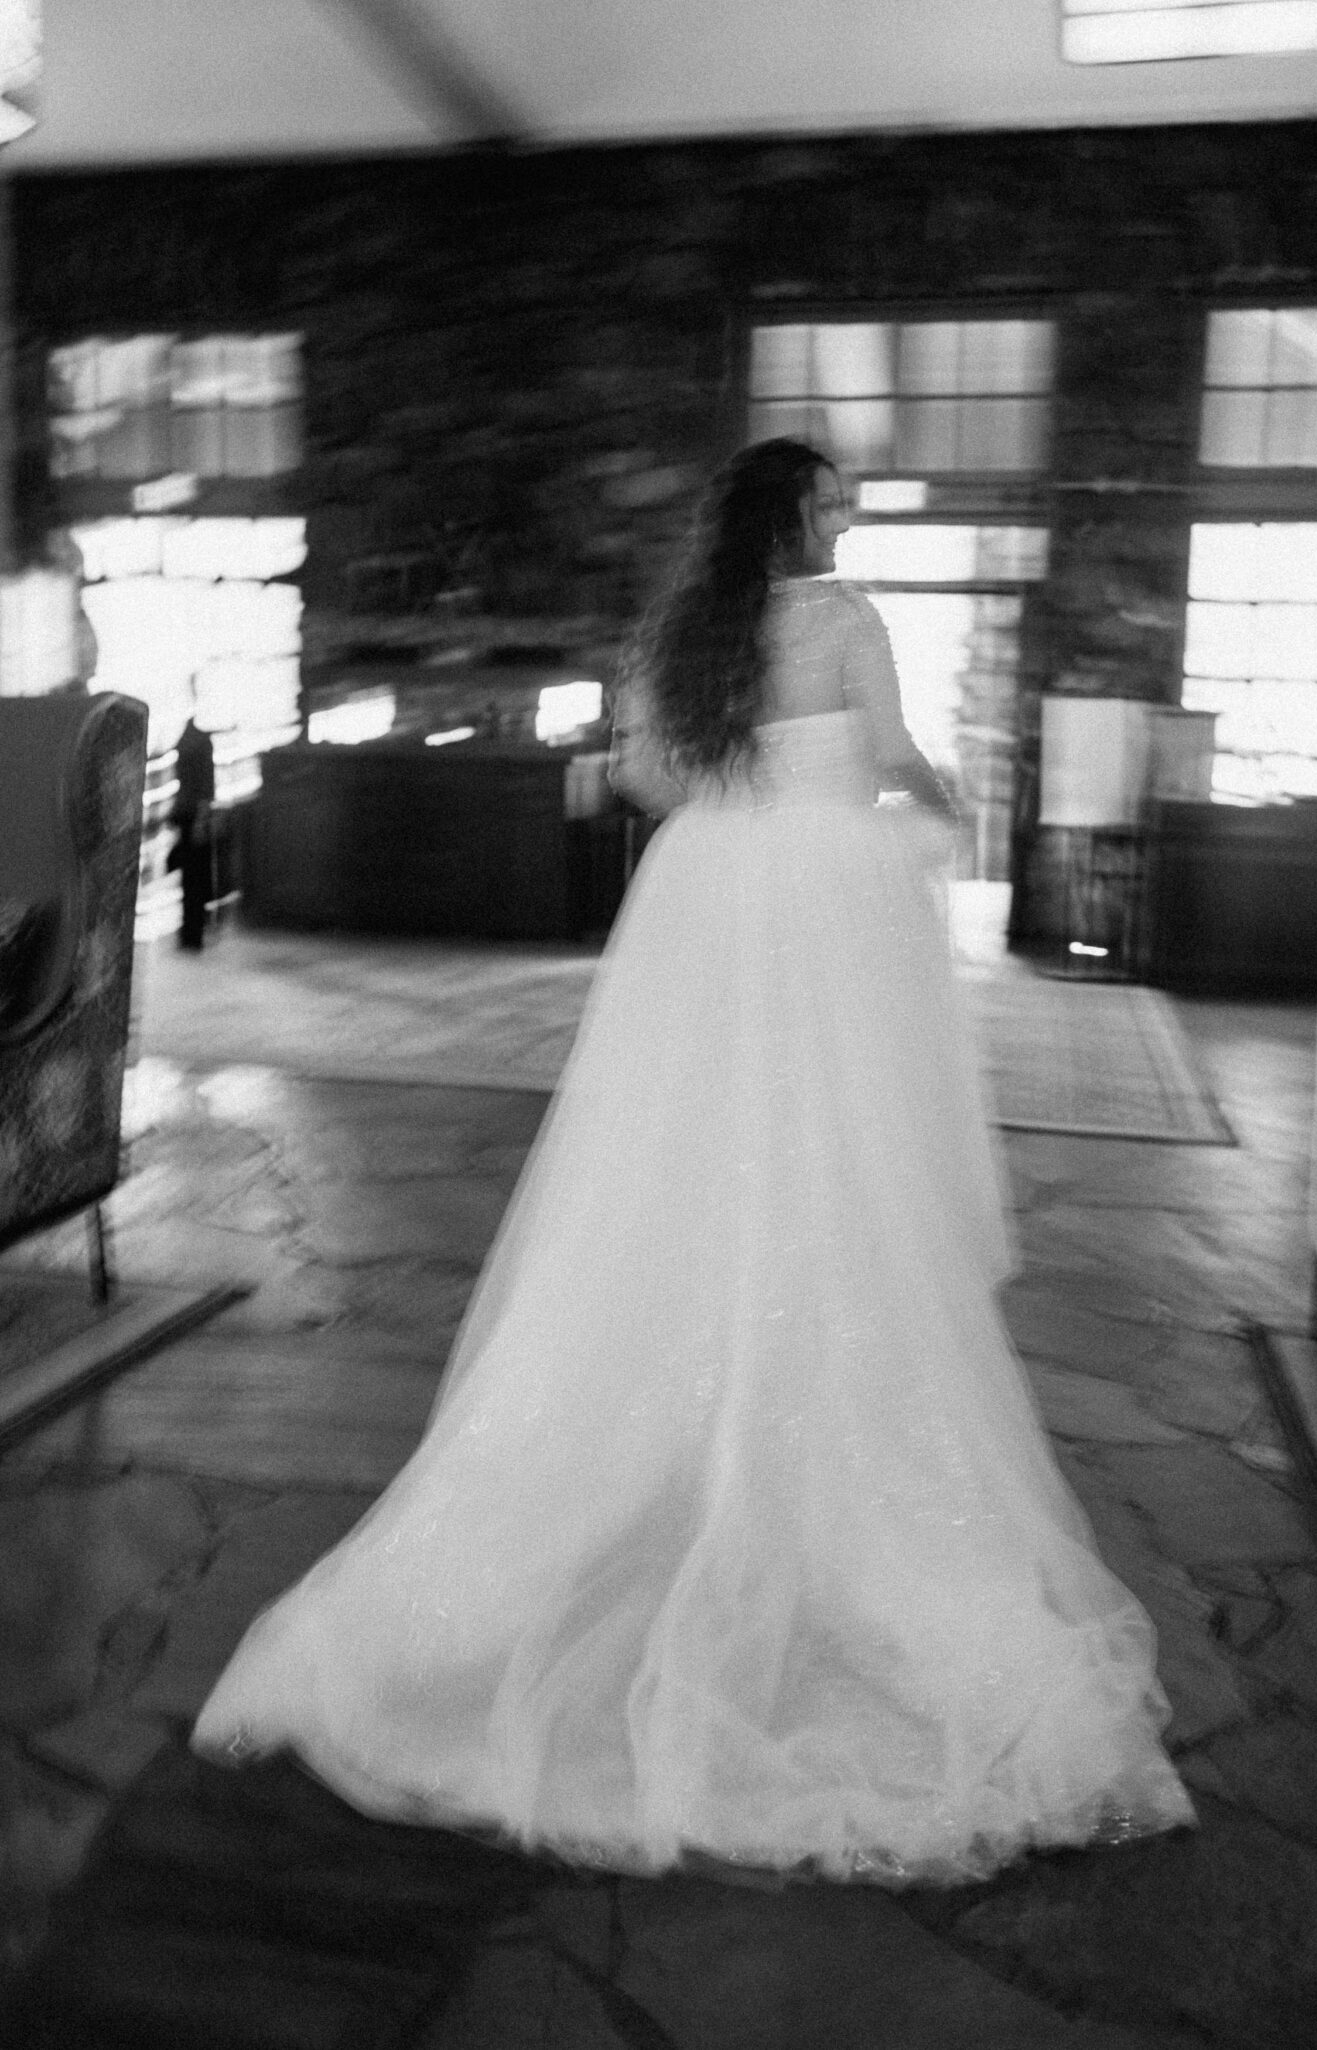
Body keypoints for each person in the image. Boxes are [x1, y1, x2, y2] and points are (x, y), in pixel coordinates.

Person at [193, 439, 1194, 1883]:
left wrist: (742, 798)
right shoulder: (844, 618)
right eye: (834, 497)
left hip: (707, 894)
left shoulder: (679, 630)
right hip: (826, 899)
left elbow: (645, 777)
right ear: (790, 512)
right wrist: (941, 809)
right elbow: (890, 753)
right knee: (831, 1143)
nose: (848, 513)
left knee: (678, 1142)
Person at [169, 707, 215, 951]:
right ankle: (193, 933)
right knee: (197, 876)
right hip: (195, 817)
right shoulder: (201, 742)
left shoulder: (187, 741)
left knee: (190, 878)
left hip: (187, 815)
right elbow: (206, 787)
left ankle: (190, 933)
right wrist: (202, 821)